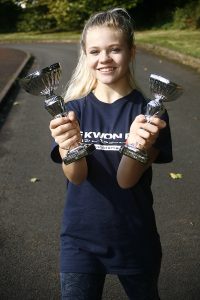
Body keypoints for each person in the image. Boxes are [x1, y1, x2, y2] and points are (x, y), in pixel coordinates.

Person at [49, 7, 173, 300]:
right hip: (80, 240)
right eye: (95, 51)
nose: (104, 58)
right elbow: (76, 177)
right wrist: (68, 147)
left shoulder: (149, 113)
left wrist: (135, 147)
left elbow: (126, 180)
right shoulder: (72, 110)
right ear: (86, 56)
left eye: (114, 49)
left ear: (131, 52)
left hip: (135, 238)